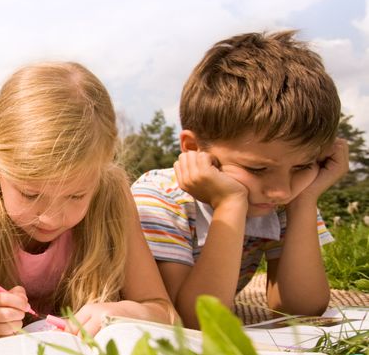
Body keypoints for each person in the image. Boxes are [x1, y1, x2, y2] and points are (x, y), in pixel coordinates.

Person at [0, 62, 176, 340]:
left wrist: (126, 312)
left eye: (76, 195)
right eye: (30, 194)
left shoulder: (112, 195)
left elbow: (165, 313)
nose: (50, 218)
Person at [132, 30, 347, 327]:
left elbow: (301, 308)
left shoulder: (286, 197)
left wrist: (305, 201)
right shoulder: (160, 198)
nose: (280, 191)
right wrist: (230, 205)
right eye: (257, 170)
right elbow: (191, 320)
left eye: (302, 167)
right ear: (194, 149)